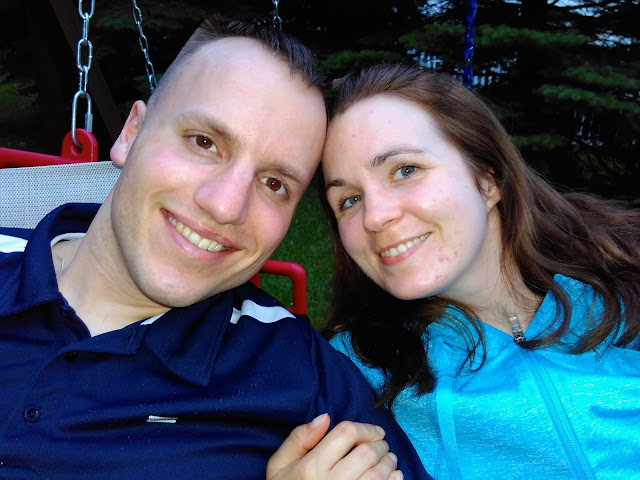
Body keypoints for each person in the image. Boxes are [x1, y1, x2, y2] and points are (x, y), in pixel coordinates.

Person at [0, 19, 430, 480]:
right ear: (131, 133)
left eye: (274, 184)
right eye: (204, 143)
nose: (226, 206)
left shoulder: (300, 378)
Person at [317, 64, 640, 479]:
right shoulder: (350, 376)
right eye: (349, 199)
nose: (375, 217)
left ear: (488, 180)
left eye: (405, 170)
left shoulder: (623, 287)